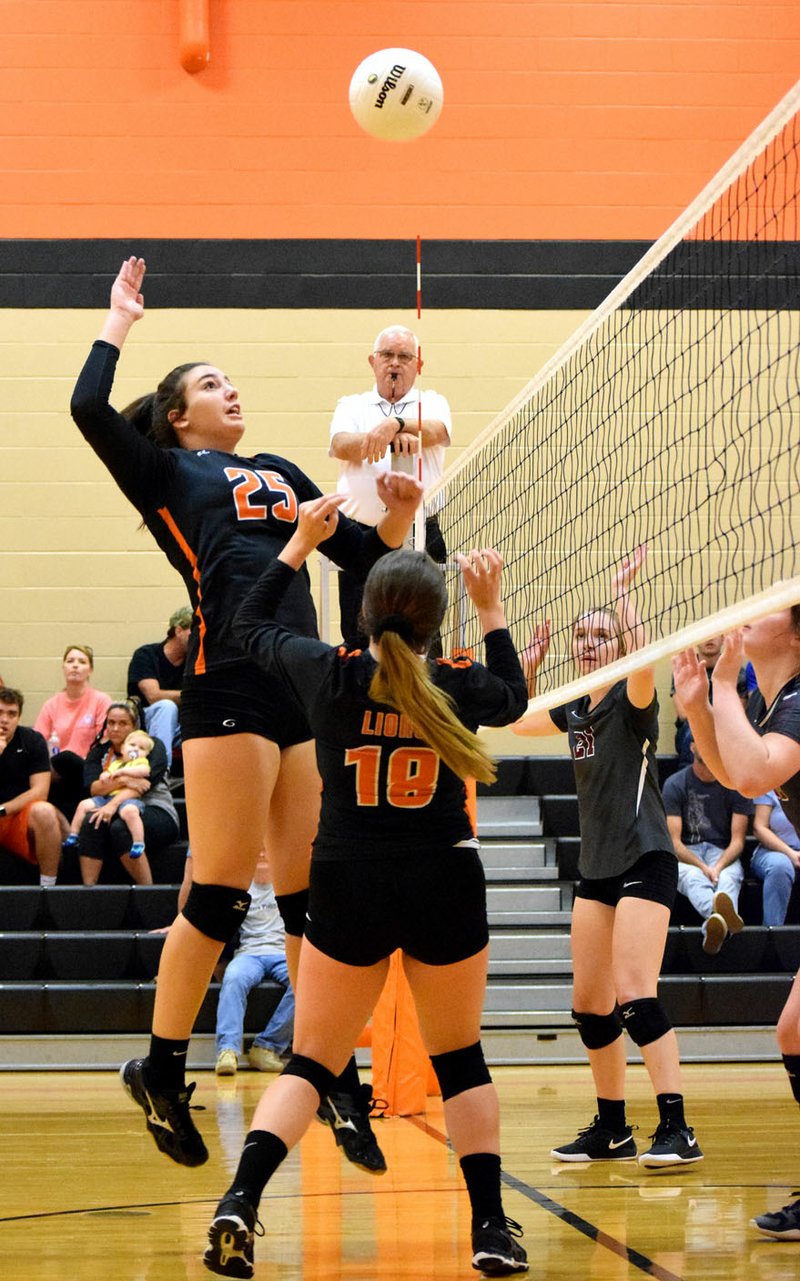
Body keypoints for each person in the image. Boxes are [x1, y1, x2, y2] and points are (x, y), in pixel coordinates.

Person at [71, 257, 421, 1171]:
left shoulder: (279, 470)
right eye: (211, 383)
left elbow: (359, 552)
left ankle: (331, 1071)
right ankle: (160, 1066)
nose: (231, 390)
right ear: (179, 413)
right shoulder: (165, 473)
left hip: (294, 685)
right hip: (228, 679)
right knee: (223, 890)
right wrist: (118, 322)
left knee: (310, 899)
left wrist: (394, 518)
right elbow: (86, 410)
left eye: (232, 380)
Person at [200, 509, 529, 1280]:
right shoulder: (456, 682)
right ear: (434, 624)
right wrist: (491, 607)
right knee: (461, 1057)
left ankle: (240, 1202)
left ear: (360, 613)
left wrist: (299, 545)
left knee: (312, 1061)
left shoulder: (330, 670)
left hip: (348, 878)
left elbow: (244, 624)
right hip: (443, 874)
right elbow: (512, 696)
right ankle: (489, 1228)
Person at [512, 548, 703, 1169]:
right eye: (583, 636)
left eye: (600, 635)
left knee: (634, 995)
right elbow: (519, 723)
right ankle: (613, 1128)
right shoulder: (575, 709)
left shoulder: (631, 696)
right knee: (589, 1006)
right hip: (597, 865)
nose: (591, 643)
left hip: (646, 856)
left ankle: (677, 1127)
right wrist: (531, 673)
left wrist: (625, 603)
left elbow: (645, 660)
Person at [672, 607, 800, 1236]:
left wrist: (723, 684)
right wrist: (698, 705)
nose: (750, 609)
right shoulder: (776, 705)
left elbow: (752, 775)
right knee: (795, 1034)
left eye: (771, 602)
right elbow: (737, 776)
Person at [329, 325, 451, 650]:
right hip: (361, 534)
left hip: (422, 530)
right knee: (357, 631)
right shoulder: (351, 405)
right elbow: (341, 444)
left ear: (418, 365)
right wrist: (389, 438)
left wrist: (394, 425)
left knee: (424, 633)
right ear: (372, 361)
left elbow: (437, 431)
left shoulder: (432, 402)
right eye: (387, 355)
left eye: (404, 356)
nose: (394, 363)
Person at [75, 704, 179, 887]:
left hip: (155, 808)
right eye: (111, 723)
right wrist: (126, 780)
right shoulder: (99, 751)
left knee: (121, 827)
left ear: (134, 726)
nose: (115, 728)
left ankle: (147, 892)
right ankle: (89, 891)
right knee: (92, 821)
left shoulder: (152, 745)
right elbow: (94, 789)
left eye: (123, 723)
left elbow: (145, 785)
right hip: (109, 804)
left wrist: (112, 803)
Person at [662, 741, 751, 954]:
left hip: (722, 853)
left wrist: (717, 867)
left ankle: (714, 923)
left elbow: (738, 841)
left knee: (729, 877)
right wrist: (703, 867)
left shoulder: (734, 785)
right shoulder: (675, 784)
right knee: (692, 877)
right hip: (688, 855)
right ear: (692, 747)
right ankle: (720, 919)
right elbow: (674, 843)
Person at [215, 850, 295, 1077]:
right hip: (248, 954)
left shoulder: (288, 883)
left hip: (284, 953)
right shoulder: (239, 889)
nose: (261, 853)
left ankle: (267, 1046)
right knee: (234, 978)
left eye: (266, 848)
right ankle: (227, 1050)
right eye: (257, 848)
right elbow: (222, 928)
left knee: (306, 984)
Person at [33, 644, 113, 821]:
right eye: (70, 661)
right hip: (58, 771)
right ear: (63, 668)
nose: (75, 665)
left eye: (82, 662)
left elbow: (105, 741)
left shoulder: (101, 701)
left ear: (90, 670)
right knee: (60, 762)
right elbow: (37, 742)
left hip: (88, 768)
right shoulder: (51, 704)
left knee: (68, 758)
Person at [0, 688, 65, 886]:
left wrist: (3, 810)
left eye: (12, 714)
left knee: (44, 811)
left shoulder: (32, 740)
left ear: (19, 717)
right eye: (0, 712)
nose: (5, 719)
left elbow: (40, 791)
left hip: (14, 816)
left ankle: (48, 888)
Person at [65, 729, 154, 863]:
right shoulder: (116, 763)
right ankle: (73, 835)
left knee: (130, 812)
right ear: (123, 748)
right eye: (132, 745)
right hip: (106, 798)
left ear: (146, 754)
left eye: (141, 748)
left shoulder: (140, 763)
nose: (135, 749)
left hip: (127, 799)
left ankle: (138, 842)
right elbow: (105, 775)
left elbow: (144, 771)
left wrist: (123, 771)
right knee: (83, 805)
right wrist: (105, 775)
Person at [127, 607, 192, 766]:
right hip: (147, 724)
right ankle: (161, 771)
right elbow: (154, 696)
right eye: (194, 632)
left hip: (179, 727)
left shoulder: (193, 661)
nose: (199, 638)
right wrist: (192, 695)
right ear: (178, 631)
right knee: (166, 707)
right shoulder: (147, 655)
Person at [671, 635, 748, 765]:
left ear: (723, 639)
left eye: (715, 635)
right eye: (705, 635)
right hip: (690, 728)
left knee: (731, 732)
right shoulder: (686, 667)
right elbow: (684, 713)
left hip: (724, 726)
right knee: (692, 732)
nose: (710, 639)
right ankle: (690, 781)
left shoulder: (734, 668)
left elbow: (737, 712)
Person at [750, 790, 800, 925]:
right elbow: (759, 828)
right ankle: (772, 936)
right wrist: (790, 853)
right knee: (780, 866)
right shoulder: (771, 783)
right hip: (774, 850)